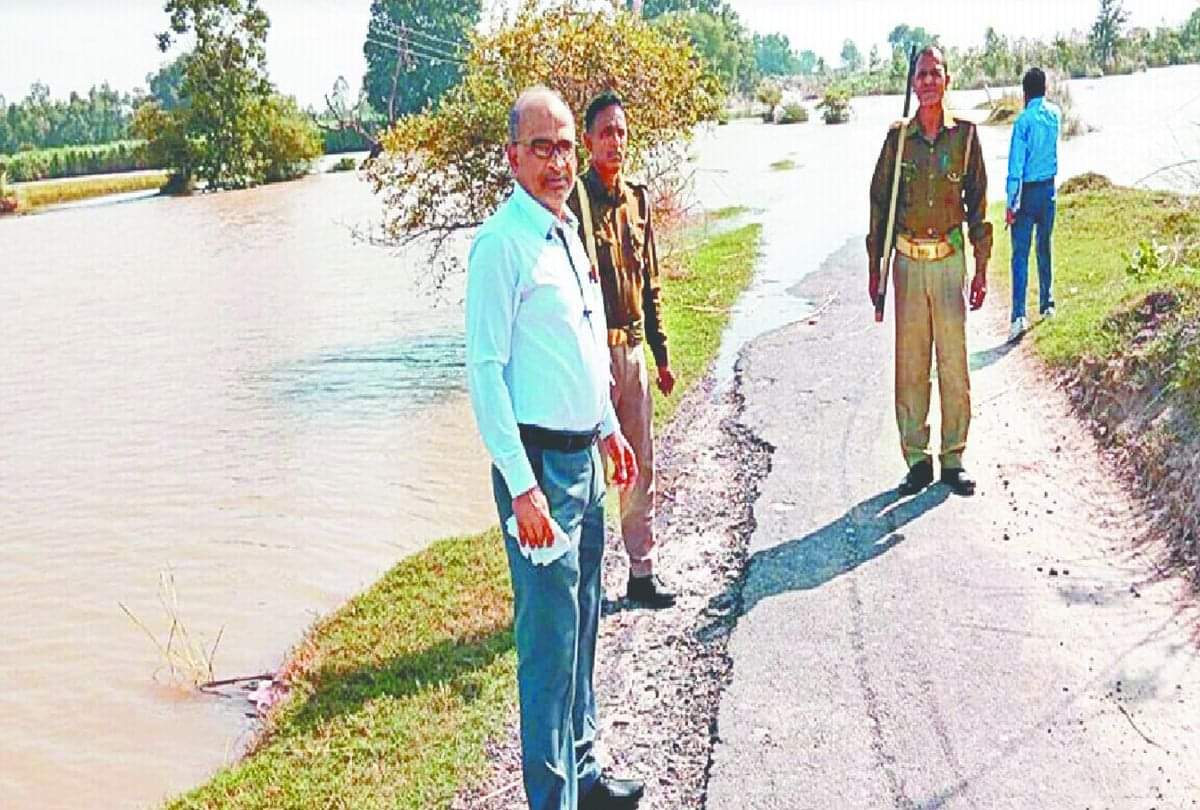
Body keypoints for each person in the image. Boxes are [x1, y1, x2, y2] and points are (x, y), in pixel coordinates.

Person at [465, 86, 646, 810]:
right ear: (512, 157)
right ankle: (554, 800)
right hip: (539, 470)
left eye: (565, 145)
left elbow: (576, 340)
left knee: (585, 626)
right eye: (541, 147)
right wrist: (521, 486)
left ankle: (587, 772)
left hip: (584, 460)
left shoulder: (568, 232)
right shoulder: (499, 246)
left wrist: (608, 426)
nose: (557, 161)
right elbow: (484, 374)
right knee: (546, 651)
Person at [567, 90, 677, 609]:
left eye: (621, 132)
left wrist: (662, 355)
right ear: (587, 142)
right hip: (588, 358)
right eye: (605, 132)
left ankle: (641, 572)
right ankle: (583, 581)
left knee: (639, 466)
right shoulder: (573, 203)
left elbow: (649, 285)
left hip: (631, 352)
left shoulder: (637, 199)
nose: (615, 141)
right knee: (587, 473)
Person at [867, 47, 991, 498]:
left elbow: (977, 205)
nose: (927, 82)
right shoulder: (898, 139)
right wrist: (874, 270)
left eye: (934, 74)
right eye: (920, 75)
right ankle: (917, 460)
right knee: (911, 366)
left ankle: (953, 457)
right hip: (907, 264)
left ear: (947, 79)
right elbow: (879, 203)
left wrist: (981, 267)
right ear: (913, 83)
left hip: (949, 262)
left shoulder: (967, 137)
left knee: (954, 365)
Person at [1005, 66, 1061, 341]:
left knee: (1020, 254)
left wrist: (1010, 204)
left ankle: (1018, 315)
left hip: (1026, 192)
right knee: (1044, 248)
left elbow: (1016, 167)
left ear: (1024, 92)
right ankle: (1047, 304)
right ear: (1045, 89)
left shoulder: (1023, 122)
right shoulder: (1055, 115)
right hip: (1049, 189)